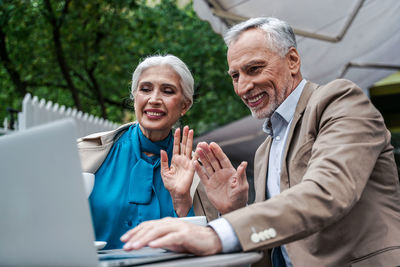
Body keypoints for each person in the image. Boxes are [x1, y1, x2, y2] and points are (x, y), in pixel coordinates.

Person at [120, 17, 400, 266]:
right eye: (235, 76)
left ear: (292, 60)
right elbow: (276, 239)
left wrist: (219, 232)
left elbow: (326, 192)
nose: (243, 86)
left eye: (254, 69)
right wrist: (233, 210)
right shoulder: (265, 149)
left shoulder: (339, 100)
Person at [77, 54, 217, 249]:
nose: (154, 99)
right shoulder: (86, 156)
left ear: (184, 105)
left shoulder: (200, 173)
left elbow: (209, 244)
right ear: (135, 96)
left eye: (167, 91)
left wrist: (182, 201)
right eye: (145, 89)